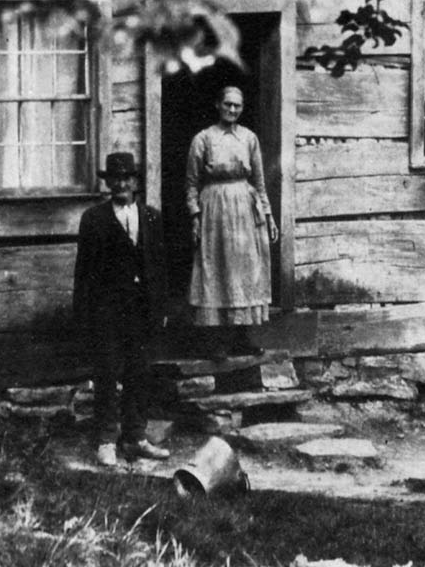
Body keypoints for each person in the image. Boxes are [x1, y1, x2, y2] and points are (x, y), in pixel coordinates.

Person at [72, 151, 170, 469]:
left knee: (139, 372)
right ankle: (106, 440)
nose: (121, 184)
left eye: (126, 178)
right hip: (107, 309)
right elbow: (83, 271)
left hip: (141, 308)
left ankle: (136, 437)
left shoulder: (151, 217)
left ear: (135, 181)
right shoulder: (94, 219)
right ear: (108, 183)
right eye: (115, 179)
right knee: (108, 372)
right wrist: (83, 313)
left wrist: (161, 306)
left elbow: (159, 266)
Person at [186, 85, 278, 328]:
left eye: (238, 105)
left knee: (245, 267)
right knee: (215, 265)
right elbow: (191, 184)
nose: (232, 109)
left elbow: (259, 182)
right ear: (218, 105)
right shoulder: (203, 139)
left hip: (245, 209)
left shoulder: (249, 138)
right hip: (214, 208)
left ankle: (242, 332)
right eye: (228, 104)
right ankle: (218, 333)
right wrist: (195, 216)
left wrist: (268, 215)